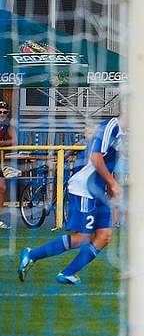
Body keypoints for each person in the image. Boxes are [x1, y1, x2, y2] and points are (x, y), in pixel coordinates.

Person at [18, 115, 124, 285]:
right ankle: (32, 255)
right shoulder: (112, 125)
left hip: (98, 190)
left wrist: (113, 198)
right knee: (82, 237)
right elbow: (96, 158)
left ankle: (67, 273)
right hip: (85, 188)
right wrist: (113, 185)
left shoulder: (124, 133)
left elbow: (108, 166)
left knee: (105, 235)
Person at [0, 101, 17, 229]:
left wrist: (2, 143)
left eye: (5, 112)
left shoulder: (8, 124)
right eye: (0, 111)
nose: (2, 114)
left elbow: (14, 140)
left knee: (2, 188)